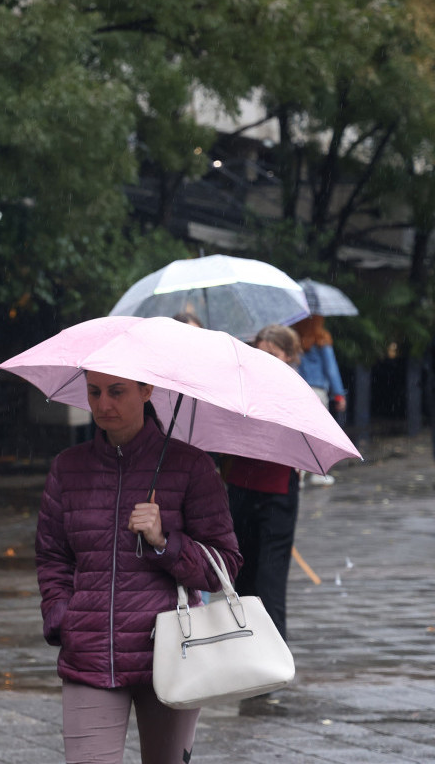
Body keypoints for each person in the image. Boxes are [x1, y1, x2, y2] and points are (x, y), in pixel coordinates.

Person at [35, 369, 240, 764]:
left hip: (170, 654)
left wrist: (166, 541)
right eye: (94, 392)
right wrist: (64, 617)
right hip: (90, 657)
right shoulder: (68, 468)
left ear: (147, 391)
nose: (102, 404)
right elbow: (52, 556)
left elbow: (225, 566)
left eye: (116, 392)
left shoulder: (192, 467)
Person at [221, 324, 302, 641]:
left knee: (270, 582)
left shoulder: (297, 392)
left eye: (272, 354)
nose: (264, 359)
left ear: (288, 356)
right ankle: (245, 651)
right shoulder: (240, 389)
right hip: (239, 489)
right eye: (259, 352)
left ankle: (275, 657)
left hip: (278, 494)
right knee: (241, 579)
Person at [292, 315, 346, 486]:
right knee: (318, 433)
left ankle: (298, 475)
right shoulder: (321, 338)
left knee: (299, 434)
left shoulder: (293, 338)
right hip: (318, 391)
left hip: (297, 388)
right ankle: (318, 473)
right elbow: (331, 368)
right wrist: (338, 394)